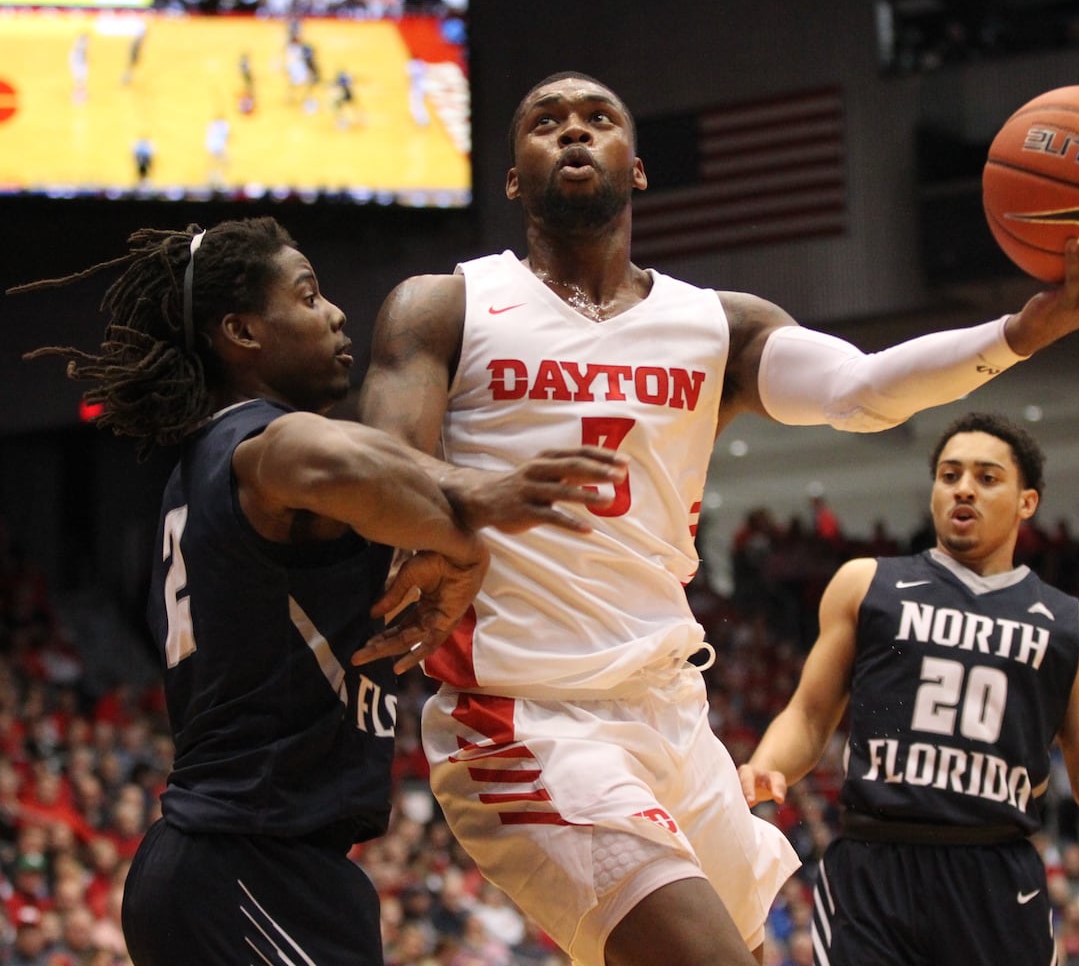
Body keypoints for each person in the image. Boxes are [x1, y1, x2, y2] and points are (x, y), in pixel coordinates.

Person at [356, 71, 1079, 966]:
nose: (574, 133)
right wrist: (439, 529)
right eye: (546, 123)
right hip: (524, 716)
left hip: (670, 711)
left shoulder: (716, 327)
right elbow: (380, 475)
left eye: (599, 120)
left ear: (638, 170)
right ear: (513, 177)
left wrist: (1023, 330)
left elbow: (863, 392)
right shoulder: (446, 305)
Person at [13, 216, 623, 965]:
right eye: (307, 296)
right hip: (247, 862)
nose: (336, 313)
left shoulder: (201, 470)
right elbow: (319, 454)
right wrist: (470, 503)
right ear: (241, 332)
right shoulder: (261, 445)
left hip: (249, 865)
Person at [738, 411, 1079, 966]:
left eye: (987, 477)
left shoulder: (1067, 624)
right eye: (949, 474)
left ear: (1026, 502)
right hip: (874, 865)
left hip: (997, 873)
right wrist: (767, 763)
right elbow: (809, 715)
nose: (964, 487)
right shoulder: (867, 585)